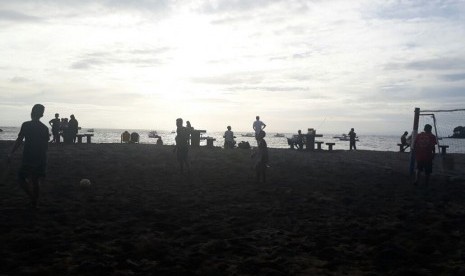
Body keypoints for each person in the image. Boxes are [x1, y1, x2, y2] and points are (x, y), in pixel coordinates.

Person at [7, 104, 50, 208]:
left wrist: (11, 152)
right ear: (42, 115)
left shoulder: (26, 125)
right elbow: (45, 145)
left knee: (21, 178)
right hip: (40, 156)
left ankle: (33, 198)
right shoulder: (44, 128)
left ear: (31, 113)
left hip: (29, 156)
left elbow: (19, 140)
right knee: (35, 180)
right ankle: (35, 201)